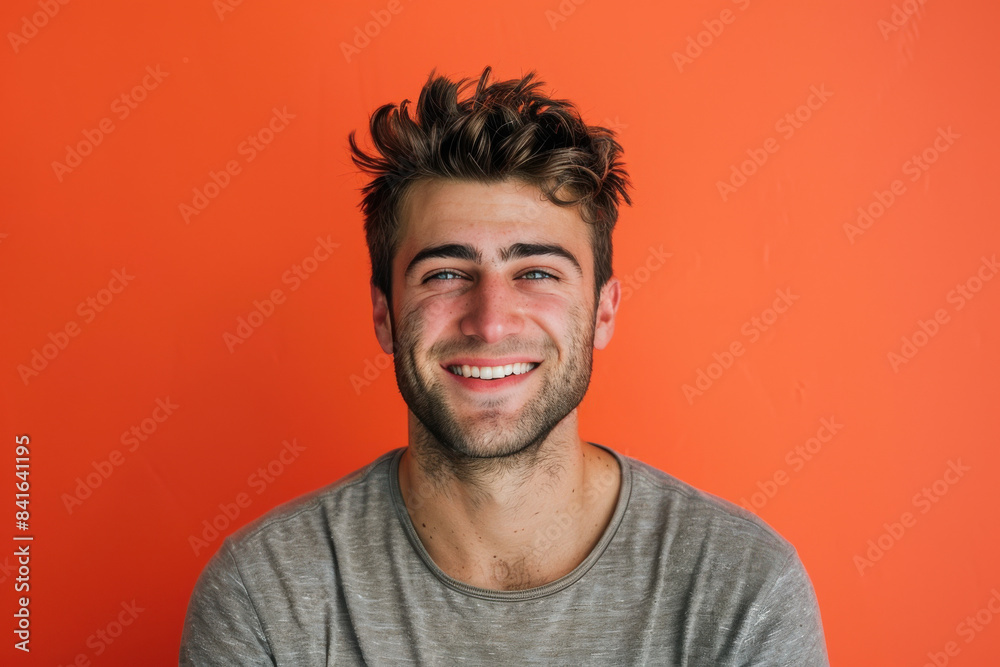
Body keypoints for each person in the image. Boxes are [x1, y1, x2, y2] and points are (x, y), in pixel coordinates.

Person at [180, 65, 830, 665]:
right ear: (383, 314)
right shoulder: (267, 595)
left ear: (603, 311)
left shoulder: (741, 587)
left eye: (538, 271)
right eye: (444, 273)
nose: (490, 321)